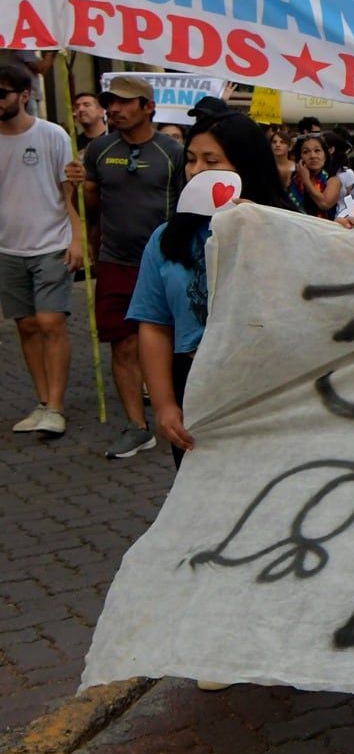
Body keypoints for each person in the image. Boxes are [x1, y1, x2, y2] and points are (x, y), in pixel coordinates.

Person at [127, 111, 291, 467]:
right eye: (190, 159)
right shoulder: (165, 240)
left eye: (211, 161)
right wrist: (166, 404)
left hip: (270, 388)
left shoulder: (287, 228)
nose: (195, 170)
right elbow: (155, 325)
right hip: (195, 383)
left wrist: (268, 232)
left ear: (245, 167)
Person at [74, 75, 185, 459]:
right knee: (122, 344)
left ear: (148, 106)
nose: (115, 109)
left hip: (164, 261)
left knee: (170, 344)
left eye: (124, 102)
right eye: (111, 103)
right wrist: (81, 195)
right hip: (115, 262)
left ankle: (177, 410)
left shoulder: (172, 152)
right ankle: (137, 426)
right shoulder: (99, 150)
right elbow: (90, 206)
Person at [1, 64, 83, 437]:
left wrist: (77, 238)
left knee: (51, 322)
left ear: (23, 95)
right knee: (27, 325)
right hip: (8, 246)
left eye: (2, 93)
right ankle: (41, 401)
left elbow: (69, 194)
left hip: (51, 241)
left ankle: (56, 405)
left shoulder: (52, 135)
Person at [285, 133, 341, 218]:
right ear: (300, 157)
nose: (312, 156)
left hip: (321, 229)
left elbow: (324, 203)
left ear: (325, 155)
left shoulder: (333, 180)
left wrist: (306, 180)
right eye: (306, 152)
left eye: (317, 150)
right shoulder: (293, 177)